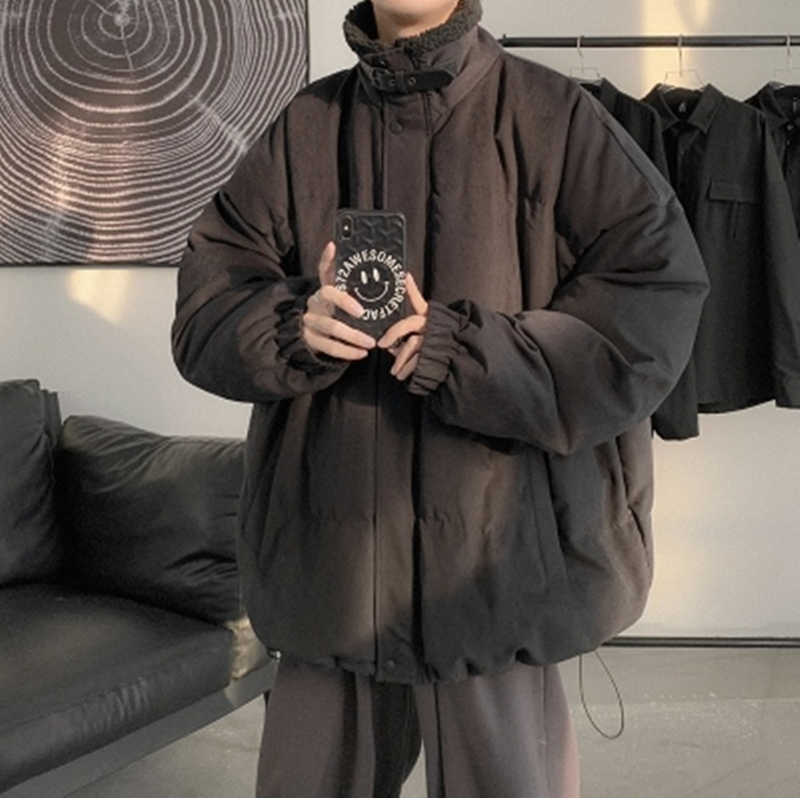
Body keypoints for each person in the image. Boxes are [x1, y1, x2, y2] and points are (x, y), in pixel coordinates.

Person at [172, 1, 708, 795]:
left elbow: (652, 307)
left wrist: (463, 352)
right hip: (332, 570)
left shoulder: (555, 116)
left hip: (498, 569)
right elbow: (206, 310)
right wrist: (293, 325)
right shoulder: (308, 125)